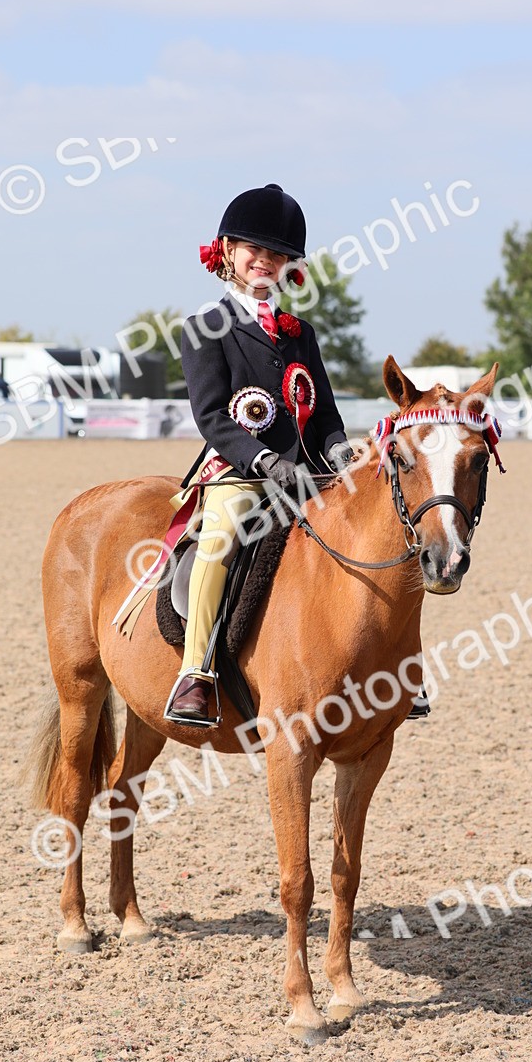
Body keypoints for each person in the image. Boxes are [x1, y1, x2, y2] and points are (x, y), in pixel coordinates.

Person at [165, 183, 353, 725]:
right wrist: (264, 461)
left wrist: (340, 453)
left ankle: (391, 666)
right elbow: (212, 417)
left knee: (378, 523)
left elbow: (325, 416)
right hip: (241, 471)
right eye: (254, 250)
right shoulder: (204, 328)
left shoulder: (302, 334)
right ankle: (194, 673)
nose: (264, 260)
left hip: (308, 472)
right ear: (227, 250)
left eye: (275, 254)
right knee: (220, 538)